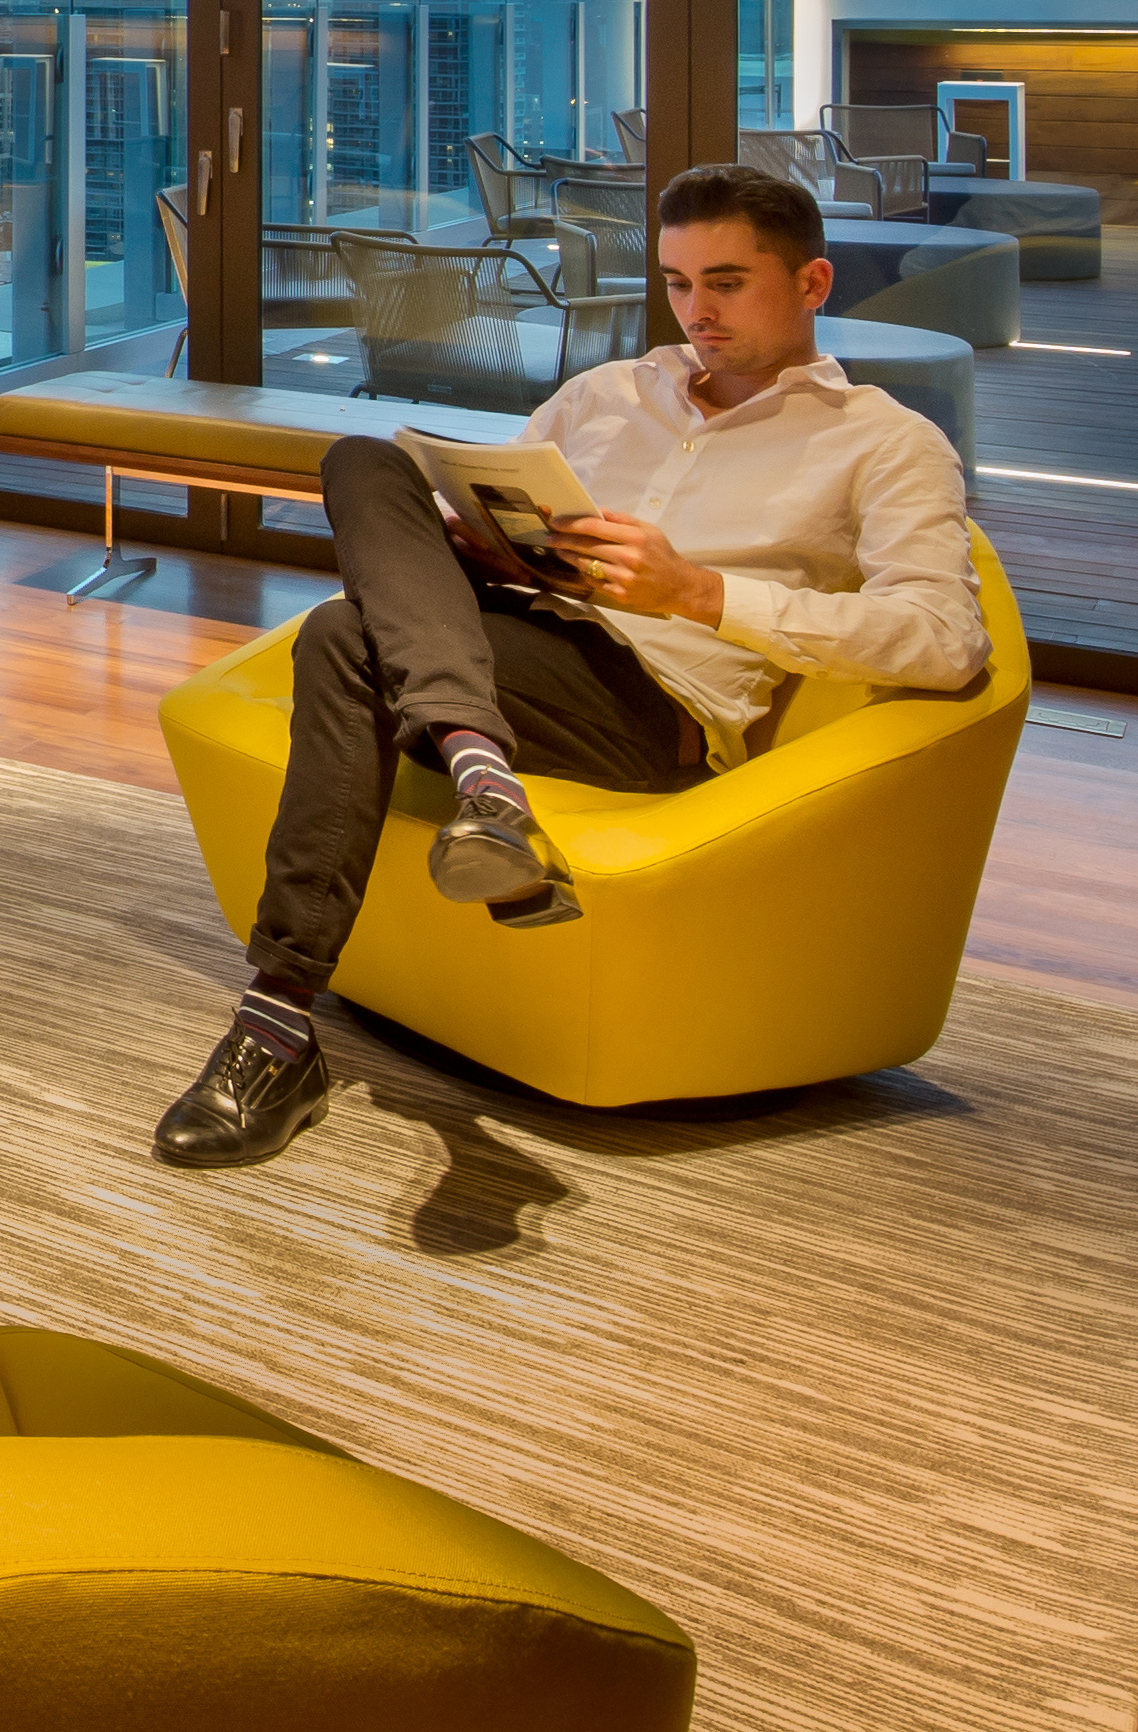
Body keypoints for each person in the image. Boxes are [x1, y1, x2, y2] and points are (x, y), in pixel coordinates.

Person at [151, 161, 989, 1173]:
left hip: (651, 706)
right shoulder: (606, 394)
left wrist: (697, 593)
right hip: (515, 645)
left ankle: (279, 1022)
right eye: (678, 283)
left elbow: (945, 639)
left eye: (727, 284)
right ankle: (483, 788)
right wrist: (480, 550)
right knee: (363, 462)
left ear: (812, 283)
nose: (697, 311)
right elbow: (492, 504)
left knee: (341, 637)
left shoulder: (884, 443)